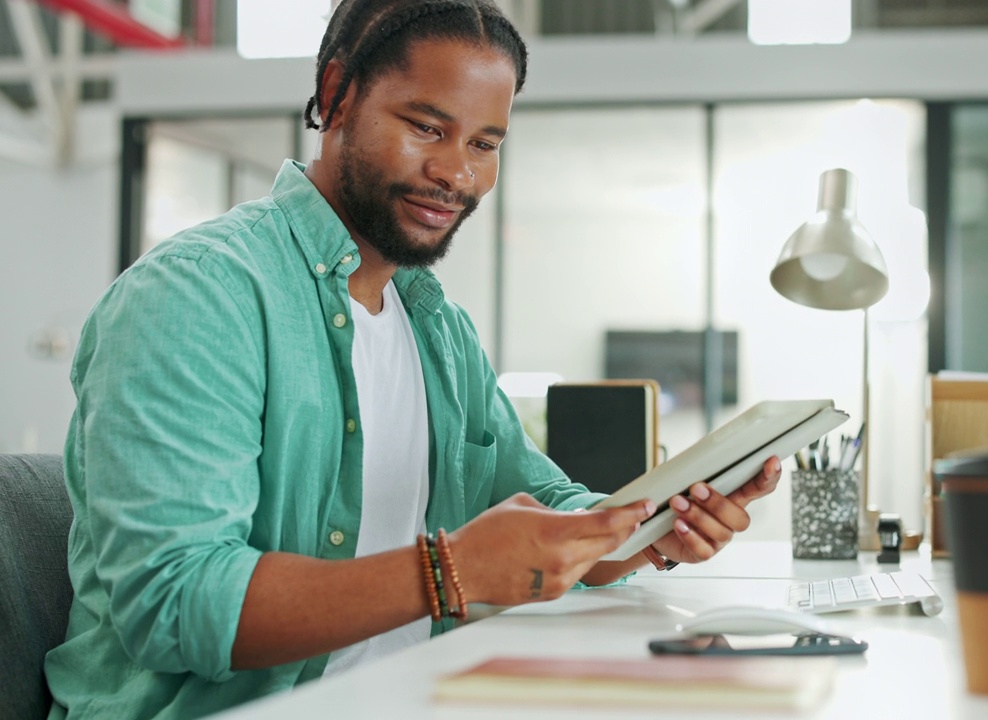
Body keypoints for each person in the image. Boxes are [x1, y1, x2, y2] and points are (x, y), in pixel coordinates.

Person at [44, 1, 781, 717]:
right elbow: (173, 604)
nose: (456, 173)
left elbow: (550, 512)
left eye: (484, 145)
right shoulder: (197, 297)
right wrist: (448, 572)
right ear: (337, 95)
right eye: (427, 127)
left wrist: (657, 530)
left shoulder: (436, 327)